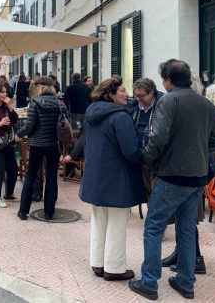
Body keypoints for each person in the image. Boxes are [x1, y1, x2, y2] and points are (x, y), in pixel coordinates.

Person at [129, 59, 215, 301]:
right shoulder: (205, 103)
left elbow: (157, 137)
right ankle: (185, 282)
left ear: (168, 80)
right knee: (187, 230)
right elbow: (214, 141)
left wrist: (148, 160)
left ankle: (149, 282)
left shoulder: (169, 100)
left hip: (172, 175)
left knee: (153, 227)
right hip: (197, 176)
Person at [79, 75, 145, 281]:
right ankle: (114, 268)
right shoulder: (121, 117)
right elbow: (131, 151)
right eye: (123, 91)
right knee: (117, 223)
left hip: (95, 176)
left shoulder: (92, 114)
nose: (127, 94)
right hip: (117, 178)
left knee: (99, 222)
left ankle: (98, 263)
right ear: (111, 95)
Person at [16, 76, 62, 221]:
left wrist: (18, 133)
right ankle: (49, 212)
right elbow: (63, 125)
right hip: (54, 145)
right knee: (51, 177)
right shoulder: (60, 104)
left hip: (37, 145)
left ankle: (23, 212)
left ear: (40, 88)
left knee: (31, 176)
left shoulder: (35, 103)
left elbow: (29, 126)